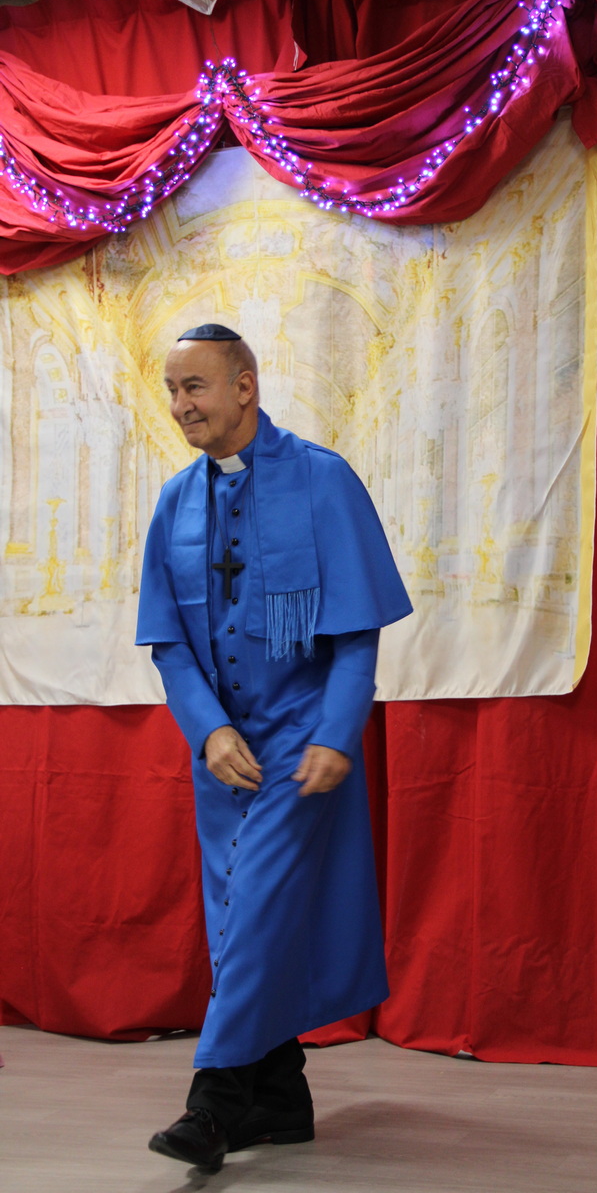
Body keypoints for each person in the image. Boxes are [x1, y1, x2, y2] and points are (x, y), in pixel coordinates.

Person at [136, 323, 412, 1170]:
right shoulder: (175, 502)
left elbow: (357, 634)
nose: (181, 405)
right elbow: (169, 644)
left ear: (245, 387)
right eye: (173, 390)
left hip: (299, 745)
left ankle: (214, 1103)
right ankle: (281, 1097)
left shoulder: (323, 479)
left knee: (253, 911)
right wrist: (208, 730)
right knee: (241, 922)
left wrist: (336, 732)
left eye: (195, 386)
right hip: (223, 759)